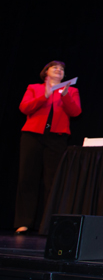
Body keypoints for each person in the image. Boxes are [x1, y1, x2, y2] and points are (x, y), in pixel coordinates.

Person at [15, 61, 82, 234]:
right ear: (46, 72)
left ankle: (48, 223)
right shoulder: (34, 88)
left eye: (62, 69)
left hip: (57, 138)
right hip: (32, 135)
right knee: (27, 178)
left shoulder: (72, 90)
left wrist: (65, 96)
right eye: (55, 68)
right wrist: (44, 96)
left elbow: (76, 112)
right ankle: (24, 221)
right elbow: (24, 107)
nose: (59, 70)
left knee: (52, 180)